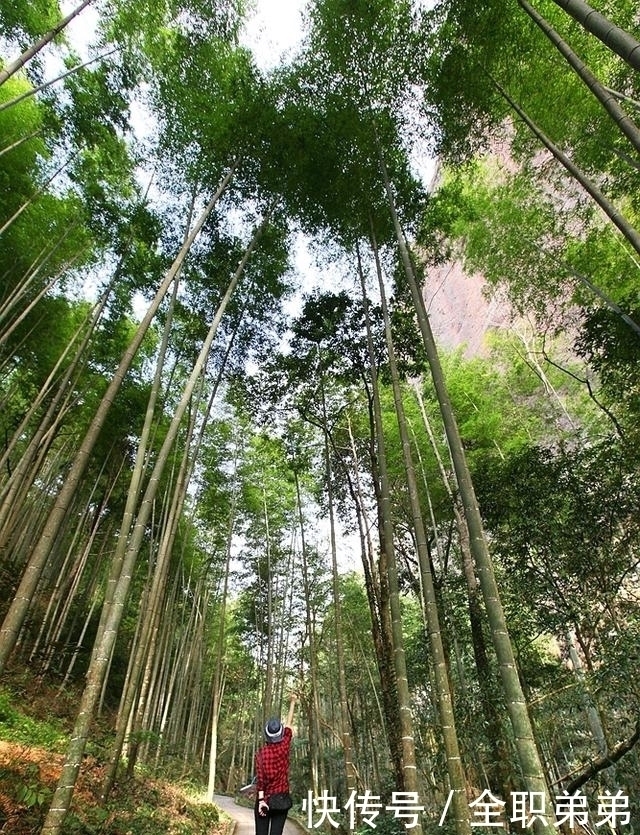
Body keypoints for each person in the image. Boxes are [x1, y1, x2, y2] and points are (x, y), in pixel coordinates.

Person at [254, 695, 296, 835]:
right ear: (281, 734)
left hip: (265, 800)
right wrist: (293, 702)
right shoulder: (284, 746)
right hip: (281, 800)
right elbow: (289, 724)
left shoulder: (261, 754)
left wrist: (261, 801)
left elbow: (261, 782)